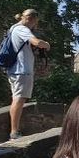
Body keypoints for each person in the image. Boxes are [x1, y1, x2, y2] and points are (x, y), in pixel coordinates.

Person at [5, 9, 51, 139]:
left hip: (16, 69)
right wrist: (46, 45)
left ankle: (14, 130)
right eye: (35, 22)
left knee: (18, 98)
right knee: (18, 99)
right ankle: (14, 132)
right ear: (31, 19)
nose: (34, 26)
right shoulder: (22, 29)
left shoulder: (13, 28)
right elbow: (37, 42)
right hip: (22, 70)